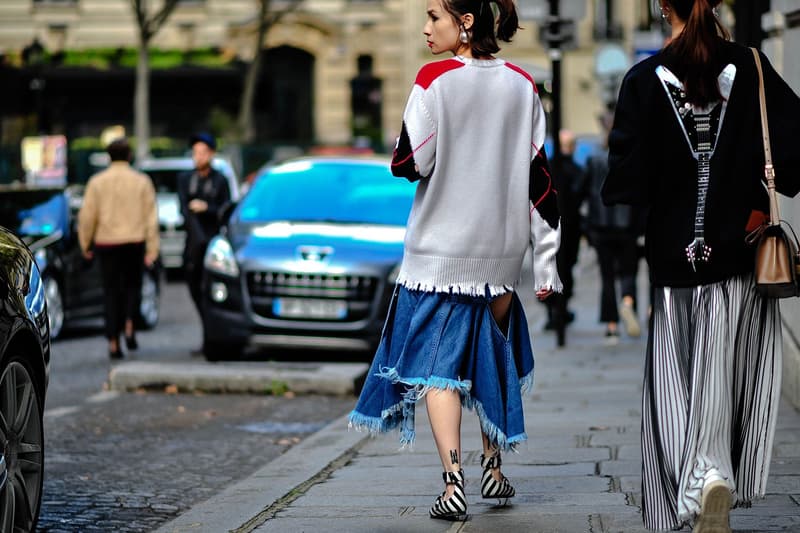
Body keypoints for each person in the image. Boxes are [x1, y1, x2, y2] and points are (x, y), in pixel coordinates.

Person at [348, 0, 561, 522]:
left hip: (440, 255)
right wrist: (548, 264)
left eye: (434, 17)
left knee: (438, 373)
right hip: (502, 256)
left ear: (465, 23)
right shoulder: (522, 83)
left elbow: (409, 161)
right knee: (492, 359)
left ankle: (453, 483)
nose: (425, 28)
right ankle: (493, 466)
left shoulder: (434, 78)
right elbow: (541, 184)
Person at [603, 1, 800, 531]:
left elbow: (624, 183)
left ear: (660, 6)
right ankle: (715, 474)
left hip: (673, 258)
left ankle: (702, 480)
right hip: (739, 250)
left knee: (675, 382)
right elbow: (796, 157)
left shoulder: (644, 80)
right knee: (723, 374)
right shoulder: (752, 66)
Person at [78, 137, 159, 359]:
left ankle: (113, 341)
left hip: (107, 242)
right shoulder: (142, 181)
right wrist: (152, 249)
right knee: (133, 286)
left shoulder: (97, 182)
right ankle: (131, 323)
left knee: (111, 291)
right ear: (129, 156)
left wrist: (85, 243)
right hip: (134, 241)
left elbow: (87, 217)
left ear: (109, 157)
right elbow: (150, 218)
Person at [583, 111, 643, 343]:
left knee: (607, 276)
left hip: (601, 226)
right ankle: (627, 302)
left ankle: (611, 326)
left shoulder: (594, 159)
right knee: (628, 272)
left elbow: (585, 192)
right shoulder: (630, 160)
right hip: (626, 226)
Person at [177, 132, 231, 327]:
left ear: (211, 154)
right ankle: (207, 325)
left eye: (203, 152)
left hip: (211, 241)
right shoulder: (185, 179)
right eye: (195, 153)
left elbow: (226, 210)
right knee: (194, 286)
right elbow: (183, 209)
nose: (198, 157)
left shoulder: (220, 180)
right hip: (193, 244)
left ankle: (212, 328)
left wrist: (206, 208)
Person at [545, 130, 583, 341]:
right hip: (569, 229)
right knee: (566, 269)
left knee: (548, 268)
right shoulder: (576, 170)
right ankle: (561, 308)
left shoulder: (546, 169)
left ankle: (553, 312)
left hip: (547, 228)